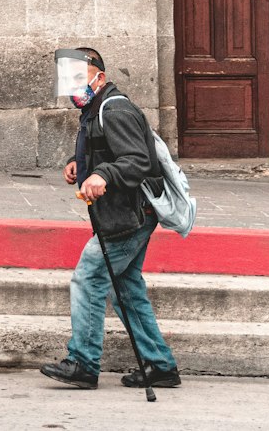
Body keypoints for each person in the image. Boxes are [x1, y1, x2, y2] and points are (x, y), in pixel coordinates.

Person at [41, 46, 181, 392]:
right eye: (68, 80)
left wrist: (102, 174)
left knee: (88, 279)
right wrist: (81, 166)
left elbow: (138, 160)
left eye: (78, 78)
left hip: (127, 217)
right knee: (126, 289)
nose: (73, 87)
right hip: (127, 214)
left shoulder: (114, 108)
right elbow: (110, 151)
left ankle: (83, 363)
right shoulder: (95, 109)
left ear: (99, 77)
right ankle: (161, 365)